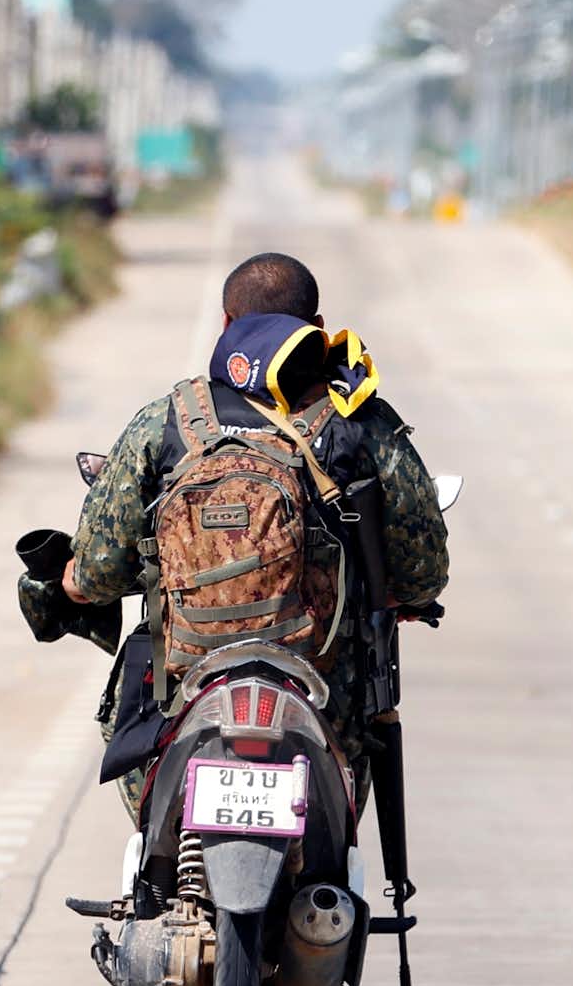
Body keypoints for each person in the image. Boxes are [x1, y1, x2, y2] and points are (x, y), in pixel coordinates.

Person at [63, 252, 449, 813]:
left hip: (186, 679)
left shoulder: (167, 421)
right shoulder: (359, 422)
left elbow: (100, 569)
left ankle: (153, 868)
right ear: (316, 332)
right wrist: (401, 595)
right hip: (322, 686)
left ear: (226, 325)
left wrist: (72, 583)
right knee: (357, 737)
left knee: (131, 719)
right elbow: (422, 569)